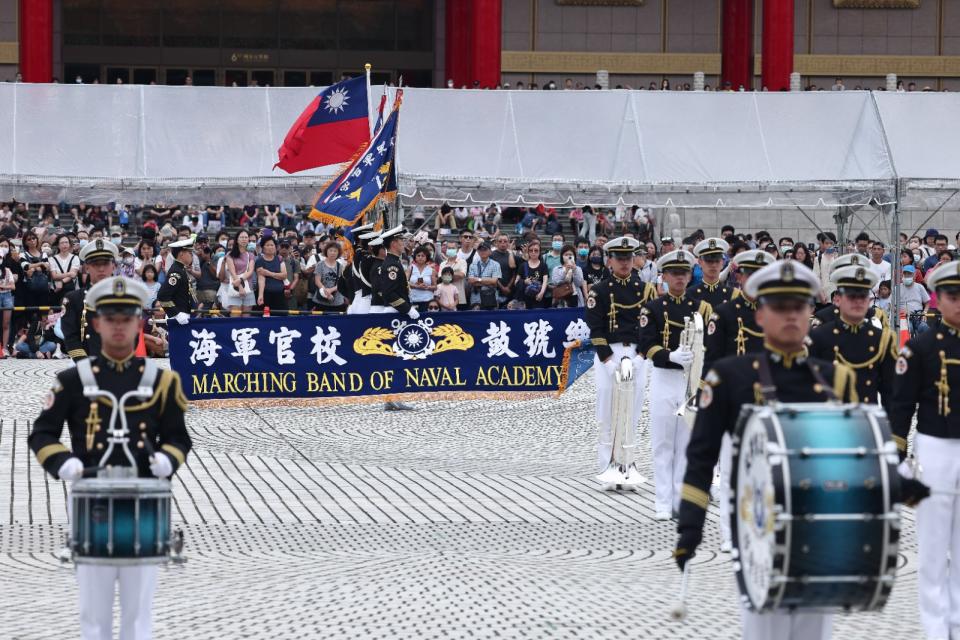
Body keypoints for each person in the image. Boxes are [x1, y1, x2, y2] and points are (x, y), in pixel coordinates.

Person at [675, 261, 860, 640]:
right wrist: (690, 530)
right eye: (779, 307)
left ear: (812, 312)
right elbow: (701, 459)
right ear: (760, 315)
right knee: (764, 628)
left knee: (814, 629)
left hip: (818, 522)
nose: (790, 315)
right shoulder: (729, 376)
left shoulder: (837, 380)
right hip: (757, 520)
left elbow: (854, 461)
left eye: (799, 306)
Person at [28, 276, 191, 640]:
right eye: (110, 319)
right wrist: (64, 464)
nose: (119, 327)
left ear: (138, 323)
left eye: (127, 319)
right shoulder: (72, 380)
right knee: (94, 617)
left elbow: (179, 438)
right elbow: (41, 433)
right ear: (97, 323)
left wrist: (167, 460)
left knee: (138, 617)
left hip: (143, 499)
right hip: (92, 499)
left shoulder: (160, 381)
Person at [889, 259, 960, 640]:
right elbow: (902, 407)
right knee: (934, 544)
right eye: (952, 295)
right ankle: (935, 627)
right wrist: (898, 460)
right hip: (935, 447)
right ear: (938, 298)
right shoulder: (919, 346)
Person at [701, 249, 776, 551]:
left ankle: (760, 529)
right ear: (740, 276)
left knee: (765, 470)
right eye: (748, 274)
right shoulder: (725, 313)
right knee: (732, 472)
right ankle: (731, 535)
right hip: (733, 403)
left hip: (768, 401)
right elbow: (712, 362)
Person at [638, 249, 711, 519]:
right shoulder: (654, 307)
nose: (680, 278)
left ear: (690, 275)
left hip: (689, 380)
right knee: (663, 443)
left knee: (686, 445)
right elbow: (646, 344)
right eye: (674, 273)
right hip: (665, 378)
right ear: (665, 276)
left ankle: (681, 501)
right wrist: (670, 355)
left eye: (684, 273)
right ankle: (662, 502)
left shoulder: (700, 308)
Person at [586, 237, 649, 490]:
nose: (624, 263)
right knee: (607, 411)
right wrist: (607, 360)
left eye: (628, 258)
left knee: (631, 413)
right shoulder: (599, 290)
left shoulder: (645, 289)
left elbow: (649, 328)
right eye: (619, 258)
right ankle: (607, 468)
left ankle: (627, 465)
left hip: (636, 355)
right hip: (608, 355)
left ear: (634, 260)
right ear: (609, 261)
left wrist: (641, 357)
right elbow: (595, 326)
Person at [809, 266, 898, 414]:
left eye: (862, 296)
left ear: (869, 300)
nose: (858, 301)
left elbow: (890, 392)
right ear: (837, 299)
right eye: (851, 296)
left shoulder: (882, 339)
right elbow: (811, 389)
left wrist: (892, 432)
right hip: (830, 420)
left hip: (868, 420)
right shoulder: (819, 337)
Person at [371, 225, 416, 411]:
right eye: (401, 241)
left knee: (396, 357)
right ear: (394, 244)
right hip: (394, 314)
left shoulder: (394, 261)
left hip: (396, 314)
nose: (403, 244)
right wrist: (407, 309)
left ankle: (392, 397)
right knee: (394, 357)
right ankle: (392, 397)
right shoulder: (391, 264)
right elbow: (388, 294)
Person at [62, 239, 120, 361]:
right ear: (87, 268)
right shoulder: (73, 298)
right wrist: (86, 364)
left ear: (113, 266)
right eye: (95, 264)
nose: (101, 268)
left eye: (105, 263)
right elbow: (70, 336)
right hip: (85, 362)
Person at [687, 238, 737, 307]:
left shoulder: (732, 295)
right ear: (700, 262)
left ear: (722, 263)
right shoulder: (690, 294)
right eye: (709, 261)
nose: (713, 265)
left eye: (717, 261)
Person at [156, 238, 195, 326]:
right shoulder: (176, 272)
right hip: (178, 318)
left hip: (183, 315)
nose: (192, 256)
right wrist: (177, 314)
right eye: (190, 253)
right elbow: (162, 296)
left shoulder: (181, 269)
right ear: (181, 254)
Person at [313, 241, 347, 313]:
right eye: (330, 250)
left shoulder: (340, 266)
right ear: (326, 251)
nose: (333, 253)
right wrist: (326, 292)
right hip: (321, 300)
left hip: (337, 301)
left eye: (335, 251)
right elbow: (317, 281)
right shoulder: (320, 264)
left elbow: (341, 282)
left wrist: (331, 290)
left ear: (338, 253)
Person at [255, 235, 288, 312]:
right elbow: (261, 279)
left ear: (275, 247)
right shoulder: (259, 261)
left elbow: (284, 275)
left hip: (280, 294)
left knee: (281, 317)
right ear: (263, 248)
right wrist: (260, 295)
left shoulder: (279, 258)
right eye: (267, 245)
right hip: (266, 294)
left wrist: (268, 273)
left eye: (272, 245)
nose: (270, 247)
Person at [467, 242, 502, 310]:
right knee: (476, 317)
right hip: (476, 296)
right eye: (480, 250)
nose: (482, 251)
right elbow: (471, 281)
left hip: (491, 295)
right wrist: (488, 281)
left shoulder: (495, 264)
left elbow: (494, 281)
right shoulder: (473, 265)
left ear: (490, 251)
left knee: (492, 317)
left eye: (485, 249)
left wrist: (478, 280)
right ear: (478, 251)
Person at [516, 241, 549, 309]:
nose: (533, 252)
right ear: (528, 252)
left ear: (539, 252)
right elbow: (516, 282)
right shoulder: (523, 265)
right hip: (525, 298)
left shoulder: (543, 265)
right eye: (531, 250)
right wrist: (524, 281)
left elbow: (545, 281)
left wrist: (541, 293)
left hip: (539, 297)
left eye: (536, 250)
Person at [407, 246, 436, 313]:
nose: (420, 257)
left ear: (427, 257)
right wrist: (416, 286)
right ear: (415, 257)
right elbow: (405, 282)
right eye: (418, 255)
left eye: (423, 256)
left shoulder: (432, 270)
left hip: (427, 300)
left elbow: (435, 286)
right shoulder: (410, 268)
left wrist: (427, 287)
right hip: (413, 300)